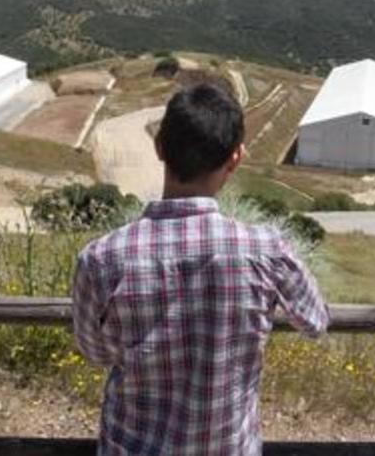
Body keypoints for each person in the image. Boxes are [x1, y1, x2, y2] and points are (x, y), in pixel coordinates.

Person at [72, 83, 329, 455]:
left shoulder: (101, 258)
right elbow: (315, 321)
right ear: (235, 159)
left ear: (159, 147)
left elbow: (95, 352)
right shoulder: (266, 250)